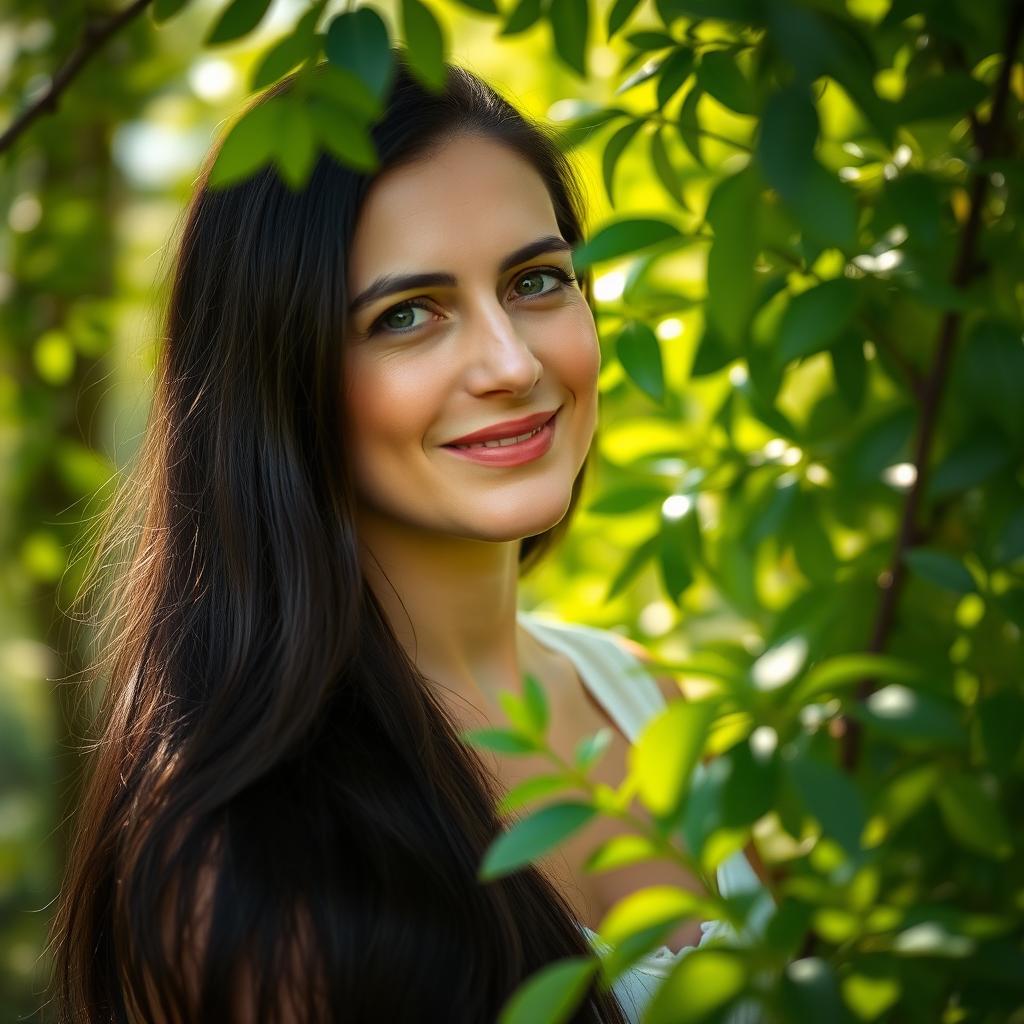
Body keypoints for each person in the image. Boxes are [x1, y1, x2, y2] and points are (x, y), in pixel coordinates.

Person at [46, 51, 768, 1023]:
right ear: (281, 376)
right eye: (409, 314)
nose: (510, 363)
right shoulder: (250, 862)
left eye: (537, 281)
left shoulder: (650, 699)